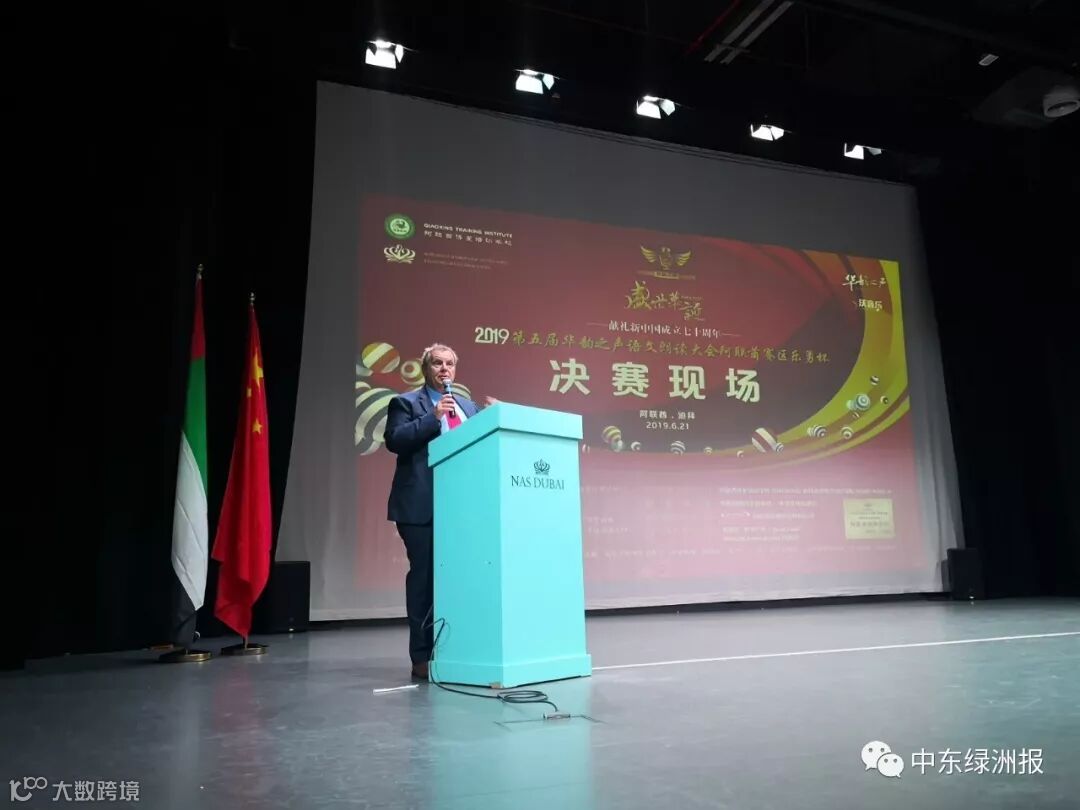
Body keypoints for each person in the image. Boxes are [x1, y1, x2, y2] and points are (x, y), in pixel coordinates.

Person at [384, 343, 489, 679]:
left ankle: (459, 649)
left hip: (463, 509)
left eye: (450, 364)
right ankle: (422, 655)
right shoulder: (406, 403)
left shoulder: (468, 406)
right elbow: (395, 440)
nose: (445, 369)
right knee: (425, 580)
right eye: (437, 363)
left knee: (463, 578)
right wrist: (433, 418)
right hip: (421, 507)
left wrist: (496, 419)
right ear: (425, 368)